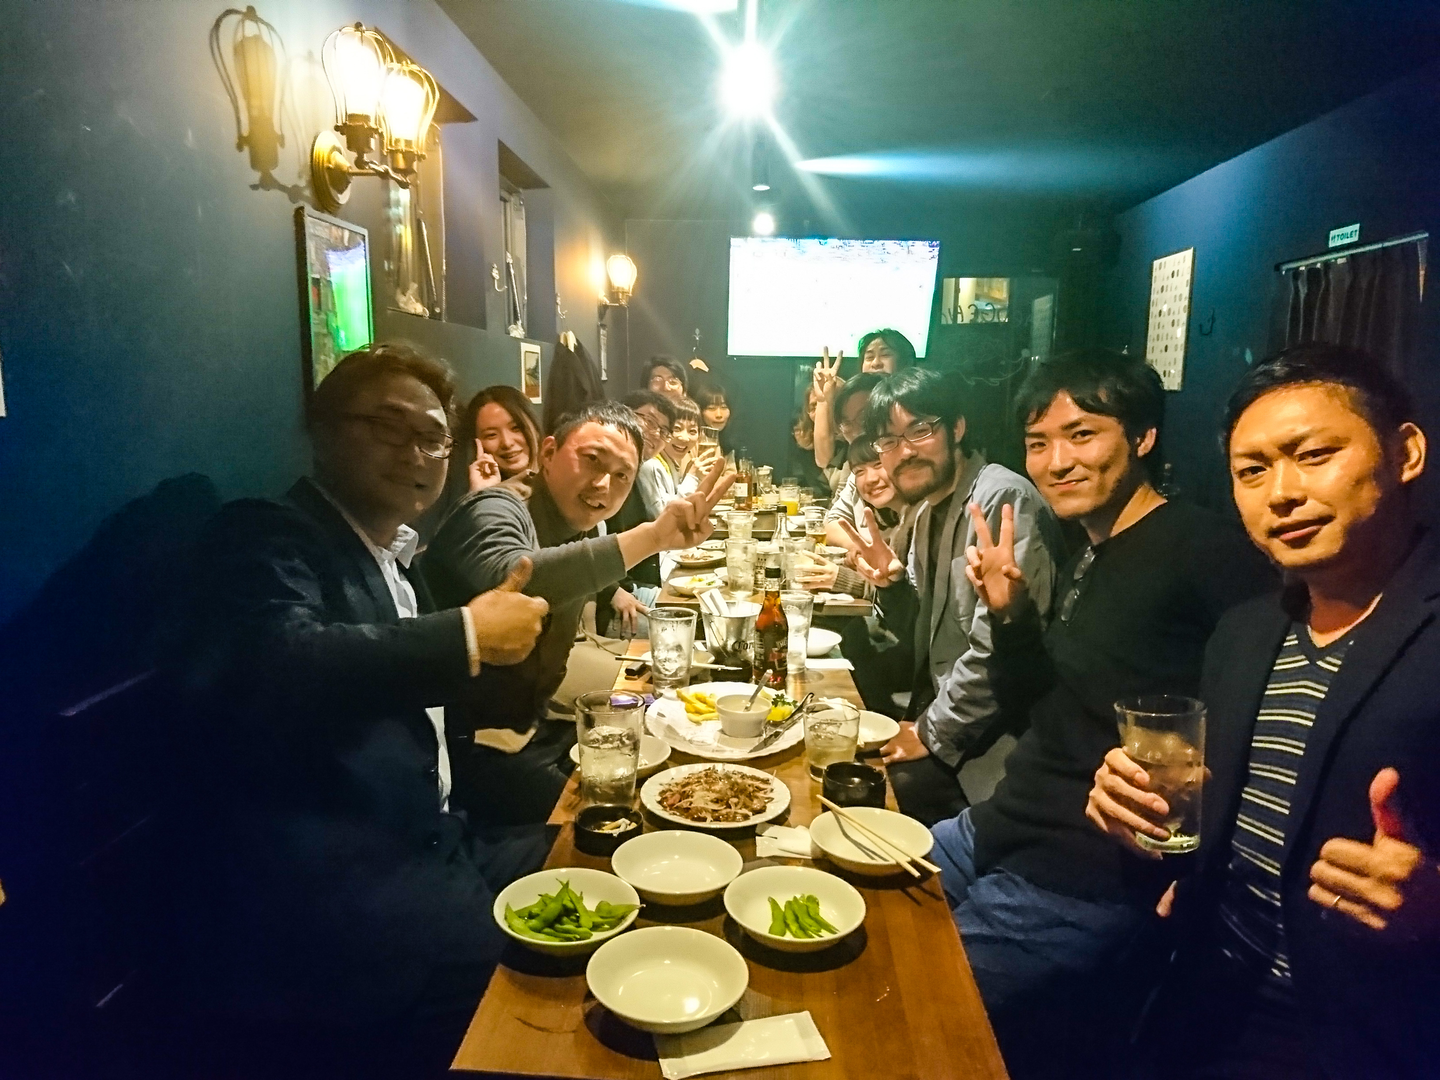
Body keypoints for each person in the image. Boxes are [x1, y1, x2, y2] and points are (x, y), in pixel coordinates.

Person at [166, 343, 549, 1071]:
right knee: (552, 1010)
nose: (417, 453)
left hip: (440, 840)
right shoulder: (263, 531)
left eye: (434, 437)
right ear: (324, 430)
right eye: (388, 426)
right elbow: (281, 660)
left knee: (606, 845)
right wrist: (468, 634)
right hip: (343, 901)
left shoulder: (392, 557)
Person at [1085, 344, 1440, 1080]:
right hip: (1203, 1004)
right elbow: (1212, 833)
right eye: (1252, 471)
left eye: (1313, 456)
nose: (1281, 493)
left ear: (1405, 452)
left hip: (1363, 1040)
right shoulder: (1245, 633)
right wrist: (1141, 821)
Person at [936, 349, 1275, 1073]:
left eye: (1081, 434)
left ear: (1143, 436)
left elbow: (1261, 716)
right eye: (1038, 443)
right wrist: (1009, 615)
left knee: (914, 1004)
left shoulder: (1204, 550)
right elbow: (1039, 710)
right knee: (836, 893)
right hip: (999, 827)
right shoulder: (1091, 547)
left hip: (1080, 878)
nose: (1056, 461)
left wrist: (1199, 856)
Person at [421, 401, 734, 825]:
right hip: (464, 754)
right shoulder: (496, 506)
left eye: (622, 475)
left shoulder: (587, 524)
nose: (603, 484)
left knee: (677, 762)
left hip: (534, 728)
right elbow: (515, 577)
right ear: (549, 453)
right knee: (622, 816)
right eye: (592, 460)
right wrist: (653, 537)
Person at [839, 366, 1064, 827]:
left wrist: (930, 731)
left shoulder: (1001, 500)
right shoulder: (927, 512)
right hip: (944, 713)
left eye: (920, 430)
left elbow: (997, 650)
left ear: (957, 427)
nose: (904, 452)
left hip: (996, 745)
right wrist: (892, 585)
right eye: (888, 441)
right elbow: (922, 633)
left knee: (865, 790)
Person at [597, 390, 678, 637]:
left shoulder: (638, 474)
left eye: (663, 431)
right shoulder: (602, 476)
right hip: (607, 601)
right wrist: (611, 590)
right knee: (680, 630)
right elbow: (583, 543)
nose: (656, 434)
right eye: (649, 421)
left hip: (635, 586)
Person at [814, 372, 884, 514]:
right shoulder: (856, 467)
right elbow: (834, 516)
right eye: (846, 422)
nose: (856, 430)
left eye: (863, 417)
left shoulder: (901, 464)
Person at [461, 384, 540, 493]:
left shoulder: (559, 479)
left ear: (534, 427)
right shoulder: (482, 495)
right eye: (491, 435)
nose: (507, 443)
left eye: (516, 428)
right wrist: (481, 493)